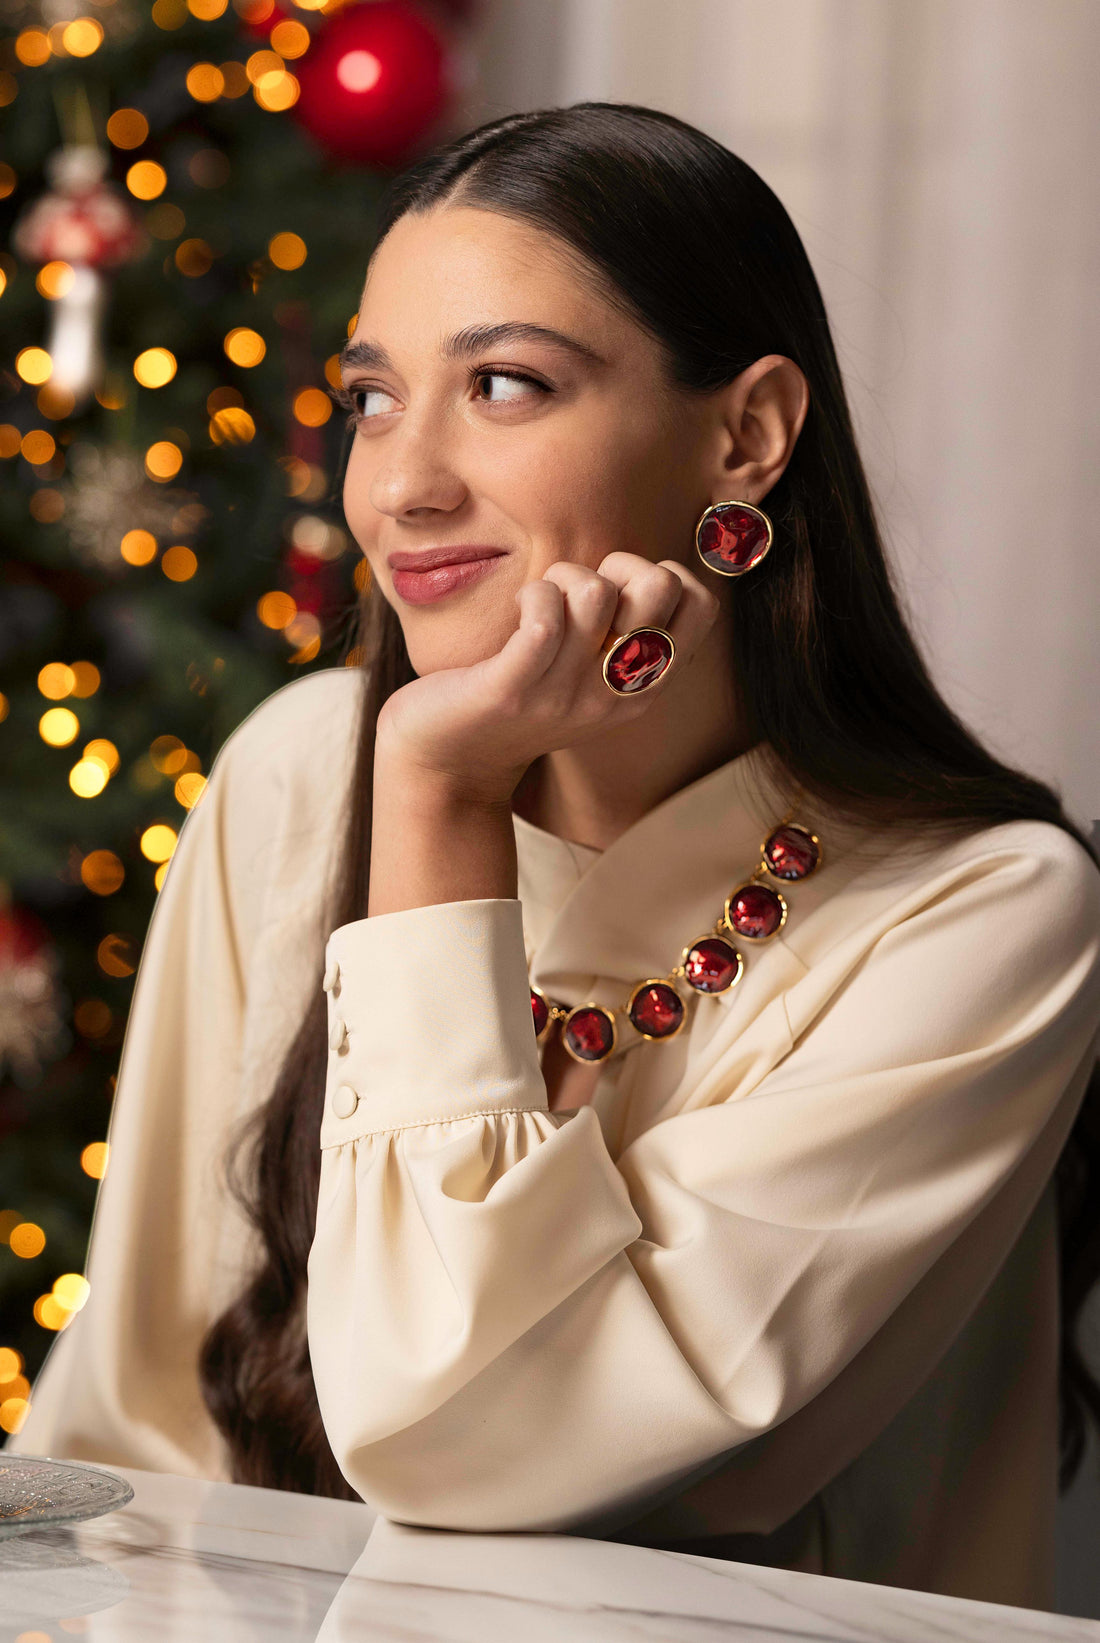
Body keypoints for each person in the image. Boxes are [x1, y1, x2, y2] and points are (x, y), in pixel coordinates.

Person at [8, 102, 1100, 1612]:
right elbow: (122, 1436)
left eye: (507, 385)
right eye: (375, 399)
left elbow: (465, 1436)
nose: (400, 486)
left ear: (746, 435)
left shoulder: (984, 913)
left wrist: (440, 803)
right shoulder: (300, 772)